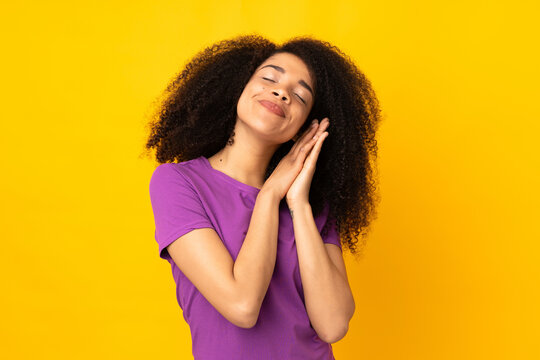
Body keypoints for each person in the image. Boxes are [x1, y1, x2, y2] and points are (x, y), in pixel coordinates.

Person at [145, 34, 382, 359]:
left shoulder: (312, 206)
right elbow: (242, 305)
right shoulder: (179, 183)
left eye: (299, 96)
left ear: (304, 129)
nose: (281, 92)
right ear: (237, 89)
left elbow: (333, 324)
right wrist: (270, 194)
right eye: (269, 78)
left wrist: (298, 203)